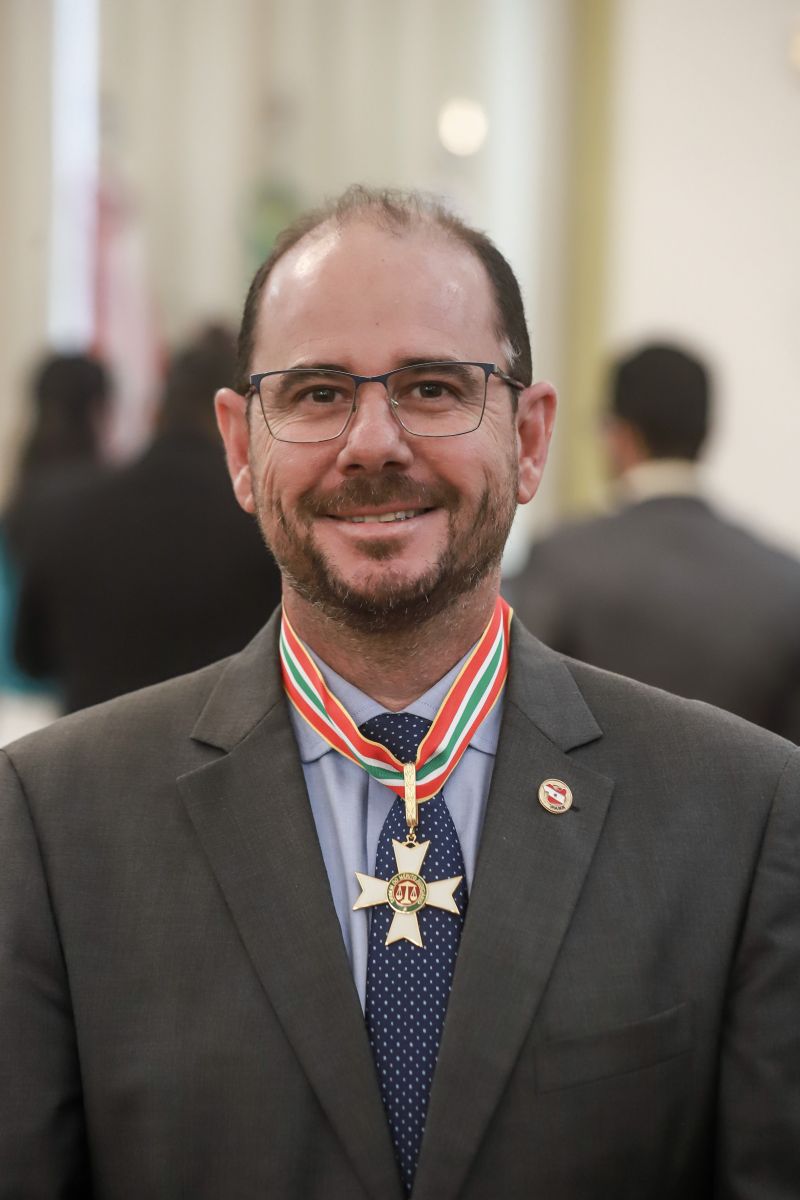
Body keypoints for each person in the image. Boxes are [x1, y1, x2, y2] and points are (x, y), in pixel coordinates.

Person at [0, 188, 798, 1199]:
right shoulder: (53, 825)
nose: (373, 443)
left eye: (430, 387)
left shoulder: (741, 817)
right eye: (318, 393)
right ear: (243, 448)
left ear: (531, 436)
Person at [508, 342, 800, 741]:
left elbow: (522, 715)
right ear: (707, 432)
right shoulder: (785, 581)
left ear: (618, 435)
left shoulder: (565, 560)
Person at [12, 326, 282, 712]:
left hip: (87, 760)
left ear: (155, 410)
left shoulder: (67, 513)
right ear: (239, 424)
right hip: (231, 760)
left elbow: (30, 657)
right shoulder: (270, 527)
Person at [0, 352, 111, 736]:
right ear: (100, 409)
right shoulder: (100, 506)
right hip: (76, 710)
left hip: (13, 705)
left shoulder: (19, 495)